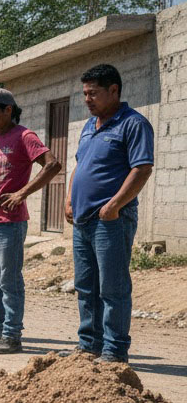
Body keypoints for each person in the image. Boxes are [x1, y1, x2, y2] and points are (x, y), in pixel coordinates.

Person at [64, 64, 154, 363]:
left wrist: (114, 205)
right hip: (83, 220)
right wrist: (68, 198)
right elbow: (80, 165)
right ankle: (89, 345)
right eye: (84, 94)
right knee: (86, 286)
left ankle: (114, 351)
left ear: (114, 90)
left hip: (111, 221)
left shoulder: (133, 124)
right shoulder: (90, 127)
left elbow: (142, 168)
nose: (87, 100)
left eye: (93, 93)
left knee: (112, 288)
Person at [0, 88, 61, 354]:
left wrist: (22, 193)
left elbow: (52, 165)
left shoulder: (24, 136)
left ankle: (12, 334)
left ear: (9, 110)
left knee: (9, 280)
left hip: (9, 222)